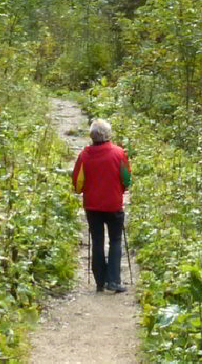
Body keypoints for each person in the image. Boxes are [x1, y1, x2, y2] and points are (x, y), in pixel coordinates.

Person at [71, 118, 131, 293]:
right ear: (108, 135)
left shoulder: (83, 155)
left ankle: (99, 281)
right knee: (115, 241)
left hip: (92, 207)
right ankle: (113, 280)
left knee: (97, 241)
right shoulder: (120, 154)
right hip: (113, 205)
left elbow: (77, 185)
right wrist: (121, 189)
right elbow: (127, 181)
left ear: (92, 136)